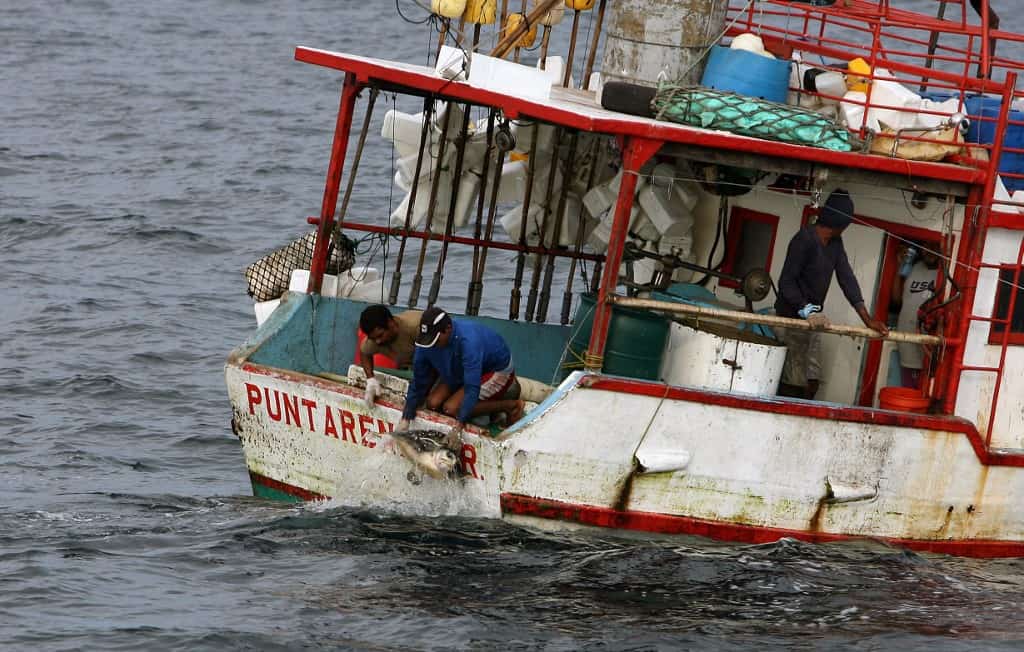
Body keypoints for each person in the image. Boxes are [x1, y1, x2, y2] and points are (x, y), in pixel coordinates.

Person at [774, 189, 889, 399]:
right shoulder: (804, 239)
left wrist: (867, 319)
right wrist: (805, 310)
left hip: (814, 319)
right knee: (793, 380)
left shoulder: (835, 243)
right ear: (841, 224)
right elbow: (786, 282)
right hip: (791, 318)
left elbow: (847, 278)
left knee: (812, 381)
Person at [397, 307, 524, 448]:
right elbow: (419, 380)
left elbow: (472, 387)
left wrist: (458, 426)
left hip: (494, 370)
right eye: (428, 340)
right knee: (433, 403)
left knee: (452, 409)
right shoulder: (426, 342)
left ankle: (511, 406)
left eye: (435, 340)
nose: (431, 345)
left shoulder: (468, 341)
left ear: (448, 329)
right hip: (461, 368)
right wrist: (406, 416)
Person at [891, 245, 939, 389]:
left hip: (928, 347)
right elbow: (897, 300)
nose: (928, 251)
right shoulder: (915, 267)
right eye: (925, 247)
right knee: (907, 393)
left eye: (933, 246)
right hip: (906, 343)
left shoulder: (944, 272)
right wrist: (899, 268)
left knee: (924, 396)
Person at [358, 305, 422, 408]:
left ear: (390, 323)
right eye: (373, 339)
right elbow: (364, 352)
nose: (377, 341)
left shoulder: (414, 328)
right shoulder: (376, 339)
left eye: (380, 335)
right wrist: (370, 379)